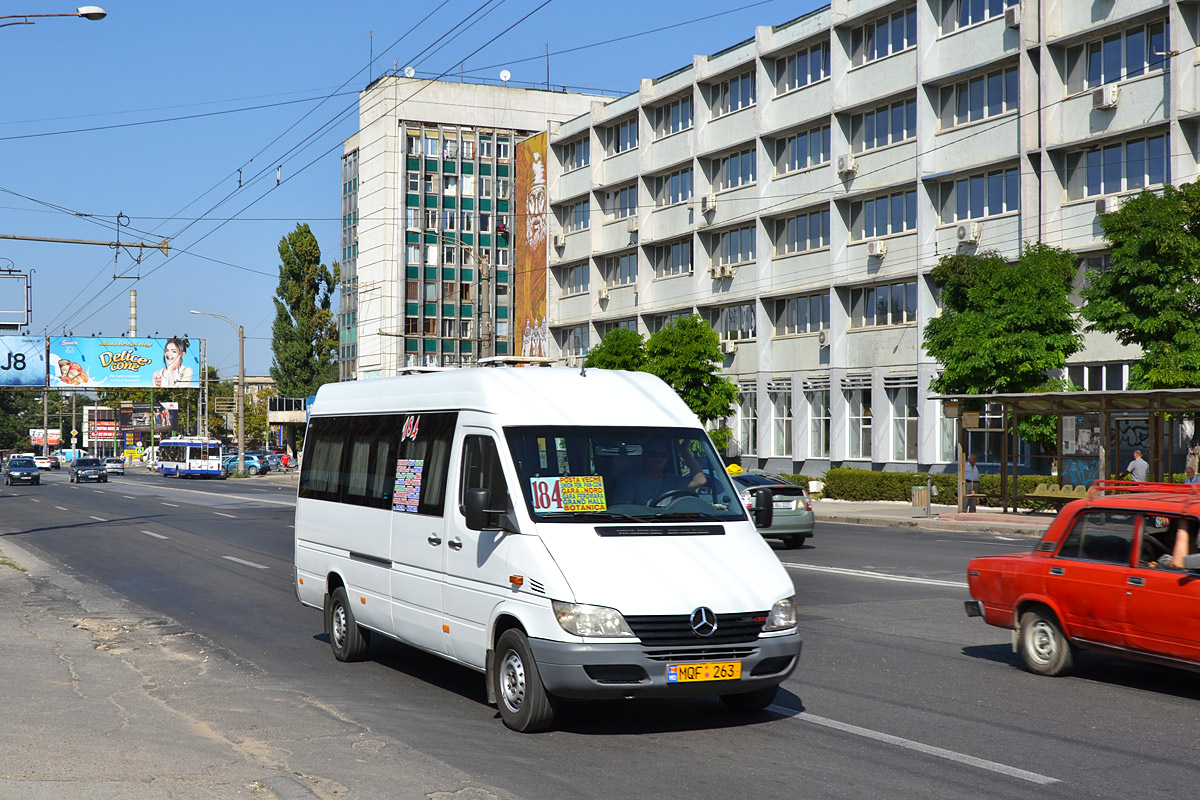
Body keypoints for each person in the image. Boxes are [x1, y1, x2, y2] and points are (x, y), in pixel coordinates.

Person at [612, 441, 707, 505]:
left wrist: (684, 452)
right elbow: (622, 510)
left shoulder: (673, 480)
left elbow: (700, 480)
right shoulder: (630, 481)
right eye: (654, 454)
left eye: (663, 455)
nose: (659, 458)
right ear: (645, 456)